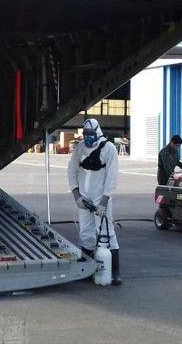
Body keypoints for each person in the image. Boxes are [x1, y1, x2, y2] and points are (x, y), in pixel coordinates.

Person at [67, 118, 121, 285]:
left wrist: (104, 202)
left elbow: (112, 177)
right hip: (84, 198)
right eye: (85, 134)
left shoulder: (109, 149)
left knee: (106, 233)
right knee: (86, 234)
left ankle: (115, 272)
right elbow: (72, 170)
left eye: (90, 134)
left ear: (97, 132)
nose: (88, 137)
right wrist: (77, 196)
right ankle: (87, 271)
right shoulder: (80, 148)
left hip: (100, 199)